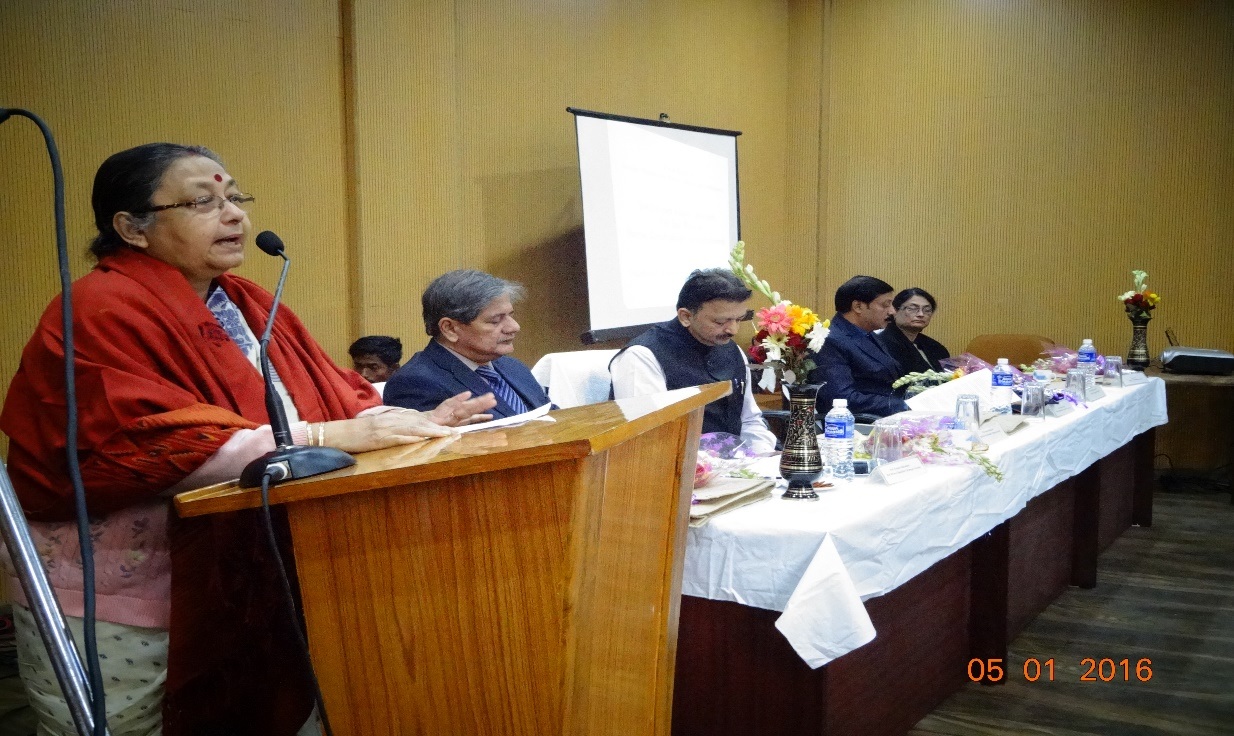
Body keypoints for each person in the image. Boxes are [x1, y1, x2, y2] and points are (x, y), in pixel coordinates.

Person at [0, 143, 495, 736]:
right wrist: (327, 435)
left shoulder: (245, 300)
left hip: (248, 568)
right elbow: (130, 444)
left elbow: (331, 393)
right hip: (121, 594)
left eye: (235, 197)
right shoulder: (97, 308)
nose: (235, 214)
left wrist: (415, 420)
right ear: (131, 228)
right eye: (203, 202)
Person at [609, 268, 776, 454]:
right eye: (720, 322)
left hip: (735, 464)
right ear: (686, 317)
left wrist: (762, 456)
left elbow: (749, 420)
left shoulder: (732, 350)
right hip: (673, 464)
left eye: (739, 319)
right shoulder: (642, 356)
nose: (733, 330)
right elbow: (646, 438)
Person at [383, 269, 552, 418]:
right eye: (495, 320)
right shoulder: (415, 384)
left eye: (510, 315)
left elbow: (552, 416)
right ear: (450, 328)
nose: (514, 327)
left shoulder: (512, 366)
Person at [808, 275, 909, 418]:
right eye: (885, 305)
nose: (892, 311)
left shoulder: (869, 334)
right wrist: (902, 405)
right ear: (858, 306)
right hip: (858, 423)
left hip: (891, 416)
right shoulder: (829, 340)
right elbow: (841, 398)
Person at [878, 288, 950, 375]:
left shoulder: (936, 347)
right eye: (912, 308)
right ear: (895, 311)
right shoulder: (881, 345)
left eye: (927, 310)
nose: (921, 314)